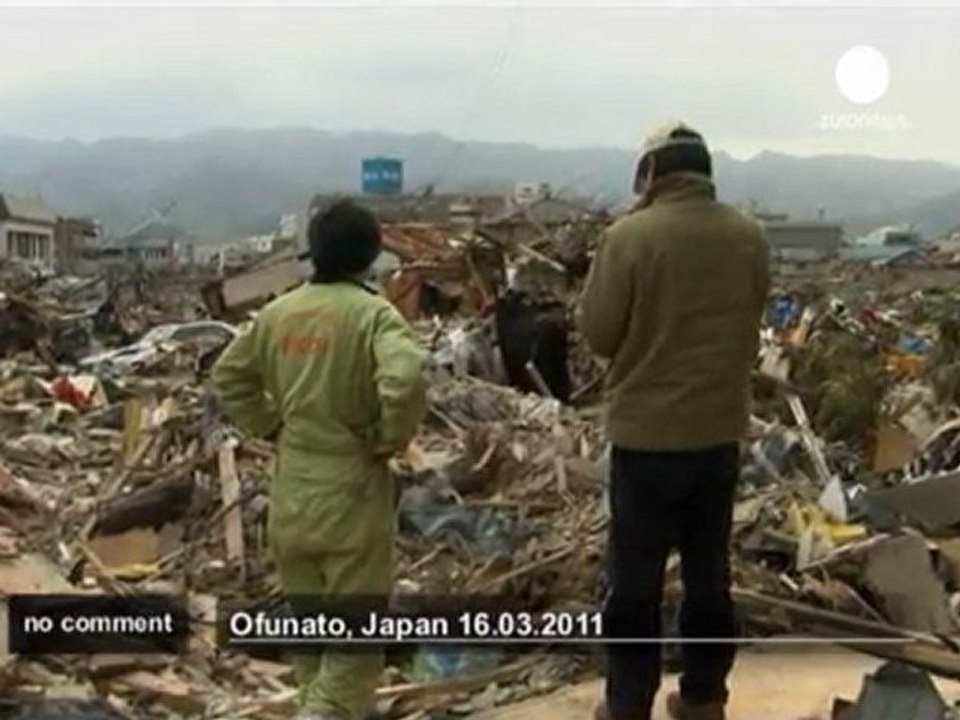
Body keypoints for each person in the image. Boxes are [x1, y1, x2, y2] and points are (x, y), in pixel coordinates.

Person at [578, 121, 769, 720]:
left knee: (634, 583)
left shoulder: (629, 237)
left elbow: (599, 332)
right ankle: (704, 698)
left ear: (652, 174)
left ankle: (627, 705)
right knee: (710, 576)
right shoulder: (749, 237)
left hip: (646, 438)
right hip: (718, 435)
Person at [211, 199, 428, 720]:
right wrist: (388, 438)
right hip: (349, 492)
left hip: (292, 493)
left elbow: (229, 375)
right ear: (371, 255)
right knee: (352, 651)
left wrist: (269, 424)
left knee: (311, 642)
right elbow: (406, 378)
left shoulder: (279, 312)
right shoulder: (373, 314)